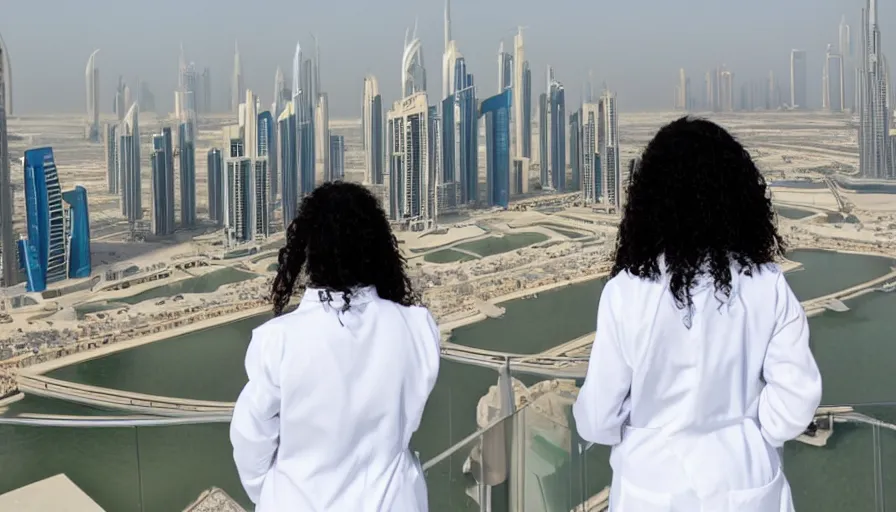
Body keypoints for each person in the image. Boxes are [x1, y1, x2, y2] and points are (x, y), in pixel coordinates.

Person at [572, 117, 822, 511]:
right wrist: (746, 431)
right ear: (739, 194)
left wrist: (644, 430)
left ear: (649, 199)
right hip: (746, 483)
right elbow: (796, 403)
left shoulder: (626, 292)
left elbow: (598, 417)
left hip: (649, 489)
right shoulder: (766, 284)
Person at [230, 182, 440, 511]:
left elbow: (250, 438)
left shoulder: (278, 341)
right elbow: (406, 421)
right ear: (377, 245)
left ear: (309, 250)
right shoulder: (417, 328)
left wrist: (273, 493)